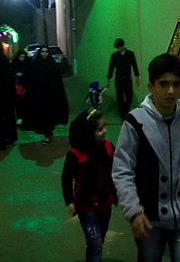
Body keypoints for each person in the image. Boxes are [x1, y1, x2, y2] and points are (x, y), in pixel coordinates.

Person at [112, 53, 180, 262]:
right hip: (149, 217)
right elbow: (122, 170)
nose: (171, 91)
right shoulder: (135, 121)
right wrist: (133, 210)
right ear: (151, 86)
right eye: (164, 84)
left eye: (176, 84)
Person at [61, 109, 117, 262]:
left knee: (99, 239)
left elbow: (117, 170)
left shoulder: (108, 146)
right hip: (86, 206)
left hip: (105, 203)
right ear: (87, 133)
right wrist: (70, 201)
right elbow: (66, 178)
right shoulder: (75, 154)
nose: (105, 131)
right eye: (100, 129)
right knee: (95, 243)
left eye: (104, 127)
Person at [22, 45, 69, 144]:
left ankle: (48, 132)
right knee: (42, 115)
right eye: (42, 52)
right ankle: (46, 133)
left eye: (46, 52)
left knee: (49, 114)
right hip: (39, 95)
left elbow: (57, 80)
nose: (44, 54)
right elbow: (31, 79)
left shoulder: (52, 64)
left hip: (51, 95)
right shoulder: (35, 64)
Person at [107, 38, 140, 119]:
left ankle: (125, 112)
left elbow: (134, 65)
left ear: (122, 46)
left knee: (129, 98)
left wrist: (137, 76)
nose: (117, 49)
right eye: (116, 48)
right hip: (119, 79)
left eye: (118, 47)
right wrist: (109, 79)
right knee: (120, 99)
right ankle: (123, 116)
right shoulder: (114, 55)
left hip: (127, 78)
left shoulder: (130, 54)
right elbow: (111, 68)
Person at [11, 49, 30, 125]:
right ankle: (19, 117)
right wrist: (16, 74)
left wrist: (24, 74)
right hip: (17, 87)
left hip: (26, 87)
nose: (22, 59)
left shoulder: (28, 64)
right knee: (18, 102)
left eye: (23, 57)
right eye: (21, 57)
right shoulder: (14, 64)